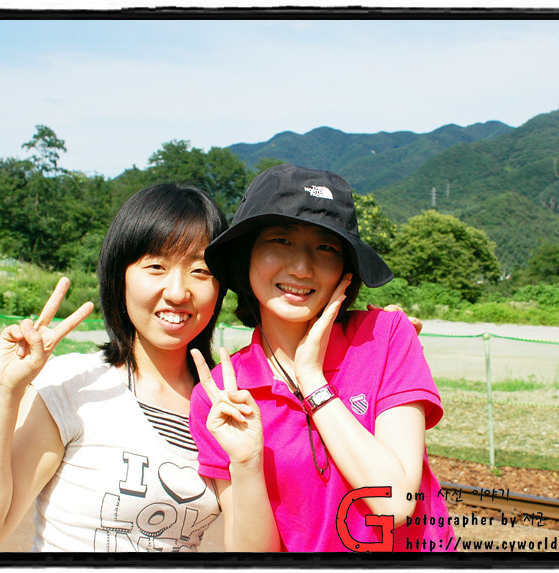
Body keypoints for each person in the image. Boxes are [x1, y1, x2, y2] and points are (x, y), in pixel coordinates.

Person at [188, 164, 454, 552]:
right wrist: (245, 464)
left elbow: (395, 503)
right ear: (247, 258)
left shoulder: (386, 337)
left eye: (326, 247)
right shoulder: (221, 395)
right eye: (280, 240)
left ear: (346, 268)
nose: (301, 267)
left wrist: (313, 381)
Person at [0, 183, 228, 552]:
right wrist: (2, 392)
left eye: (200, 270)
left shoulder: (224, 405)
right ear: (119, 276)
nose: (178, 292)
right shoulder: (74, 386)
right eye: (156, 266)